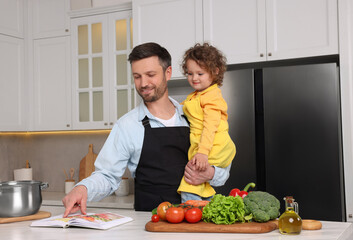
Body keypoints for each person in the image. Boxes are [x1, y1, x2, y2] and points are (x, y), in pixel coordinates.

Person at [62, 42, 232, 216]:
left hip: (196, 221)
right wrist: (82, 189)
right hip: (150, 224)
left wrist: (209, 173)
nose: (143, 83)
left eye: (150, 75)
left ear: (168, 73)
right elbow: (107, 176)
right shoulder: (127, 125)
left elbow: (223, 169)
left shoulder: (194, 115)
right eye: (137, 76)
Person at [177, 43, 236, 202]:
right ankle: (204, 204)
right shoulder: (197, 95)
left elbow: (210, 127)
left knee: (192, 177)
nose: (194, 78)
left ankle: (192, 206)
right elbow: (186, 107)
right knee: (197, 178)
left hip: (213, 145)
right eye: (190, 73)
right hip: (207, 145)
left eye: (200, 73)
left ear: (215, 71)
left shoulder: (212, 97)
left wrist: (202, 152)